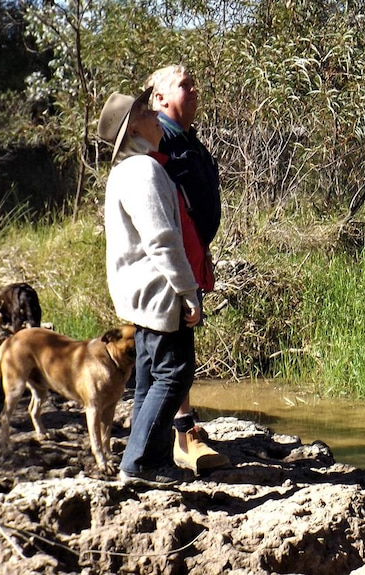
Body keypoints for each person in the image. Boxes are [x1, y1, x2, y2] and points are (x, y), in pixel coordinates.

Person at [97, 87, 202, 487]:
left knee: (150, 377)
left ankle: (147, 459)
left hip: (138, 296)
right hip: (158, 293)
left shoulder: (125, 171)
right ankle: (139, 463)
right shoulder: (144, 171)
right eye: (145, 109)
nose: (156, 113)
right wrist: (187, 291)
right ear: (133, 127)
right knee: (175, 373)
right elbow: (161, 239)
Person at [144, 65, 229, 473]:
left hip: (189, 252)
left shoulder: (184, 138)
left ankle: (169, 434)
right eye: (184, 86)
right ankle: (184, 437)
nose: (194, 90)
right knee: (175, 348)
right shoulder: (158, 139)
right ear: (159, 99)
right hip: (170, 258)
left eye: (195, 83)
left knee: (177, 344)